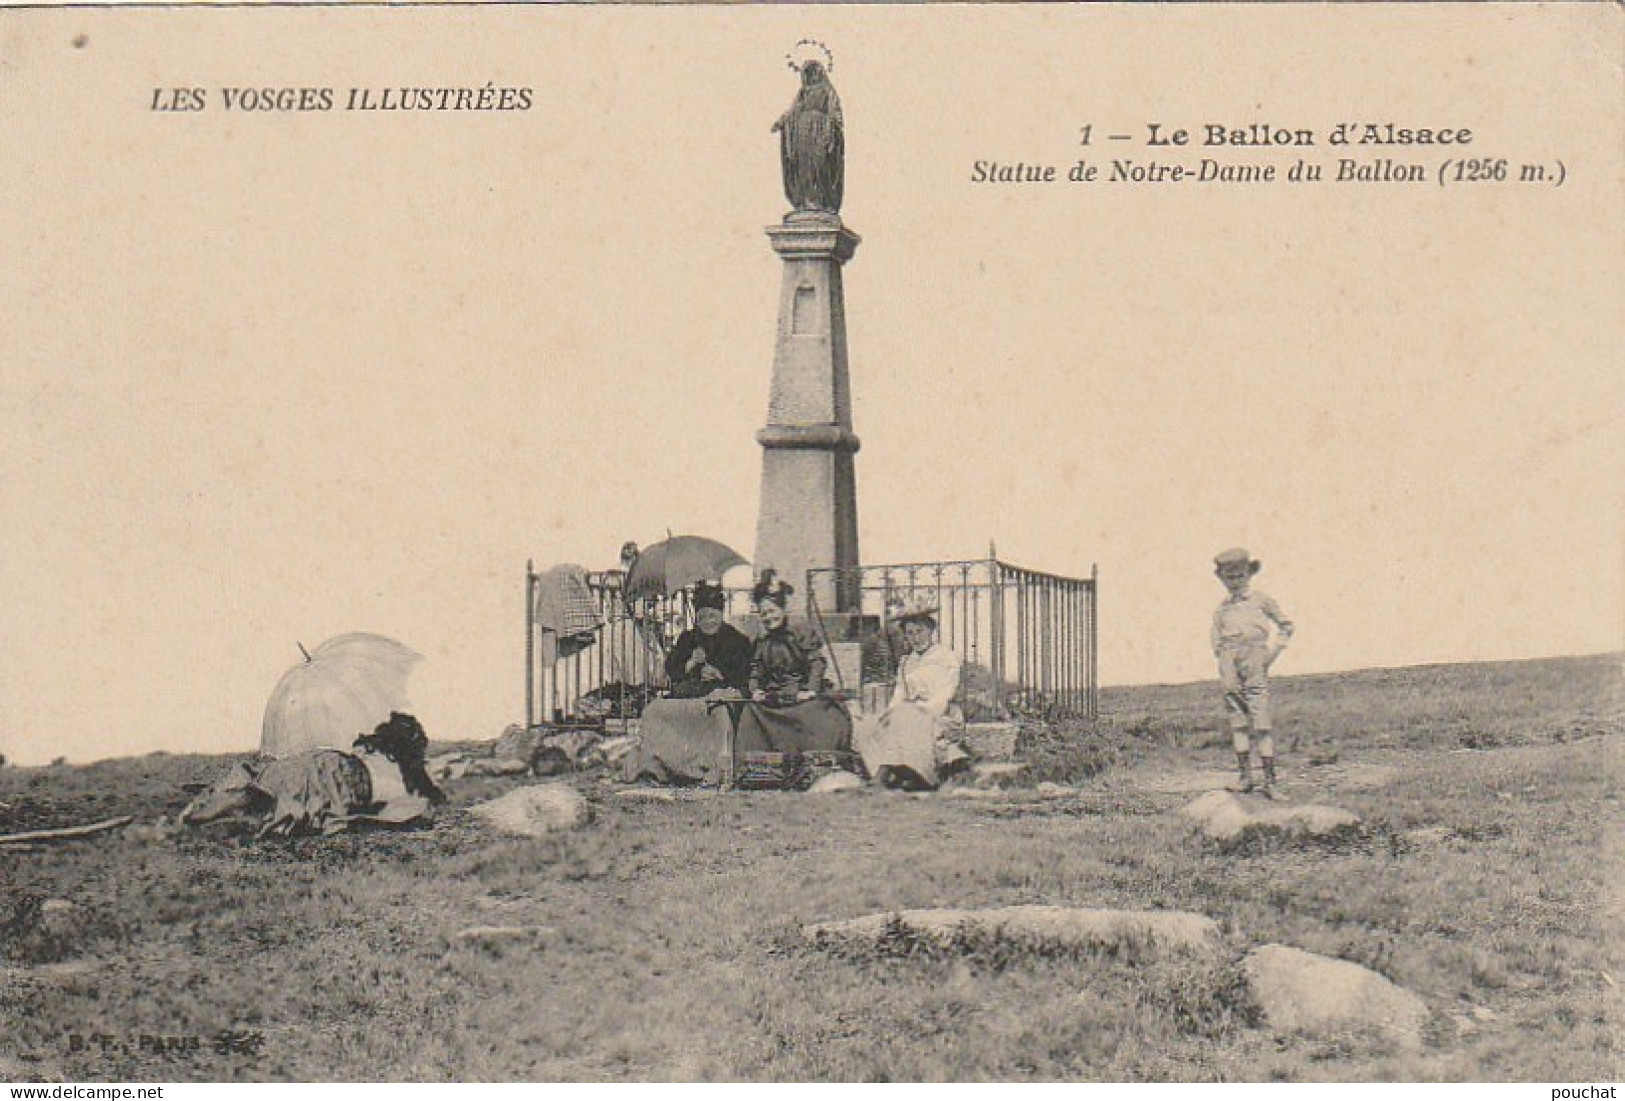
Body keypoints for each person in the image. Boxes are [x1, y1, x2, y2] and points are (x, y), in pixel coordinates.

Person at [854, 594, 967, 790]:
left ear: (931, 631)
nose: (915, 638)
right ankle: (886, 772)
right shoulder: (906, 662)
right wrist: (890, 712)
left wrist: (918, 710)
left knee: (905, 716)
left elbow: (945, 694)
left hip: (940, 713)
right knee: (870, 724)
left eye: (920, 632)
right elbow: (900, 692)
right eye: (910, 633)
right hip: (908, 711)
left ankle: (891, 773)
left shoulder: (946, 658)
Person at [1211, 547, 1295, 797]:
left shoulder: (1262, 600)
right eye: (1229, 577)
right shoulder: (1222, 608)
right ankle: (1245, 777)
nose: (1234, 582)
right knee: (1238, 721)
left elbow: (1287, 626)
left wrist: (1271, 655)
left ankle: (1271, 783)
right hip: (1229, 661)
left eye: (1239, 576)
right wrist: (1226, 659)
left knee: (1261, 722)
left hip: (1255, 657)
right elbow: (1215, 641)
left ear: (1248, 575)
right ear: (1223, 579)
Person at [749, 570, 826, 705]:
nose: (768, 617)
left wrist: (811, 690)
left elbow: (816, 663)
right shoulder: (763, 641)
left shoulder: (801, 632)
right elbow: (756, 669)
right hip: (773, 695)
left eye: (772, 611)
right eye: (763, 614)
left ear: (783, 609)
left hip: (801, 694)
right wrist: (755, 690)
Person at [664, 581, 752, 699]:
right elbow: (671, 670)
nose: (707, 622)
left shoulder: (738, 640)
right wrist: (691, 663)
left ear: (721, 614)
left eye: (712, 616)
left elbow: (745, 677)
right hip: (690, 699)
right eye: (702, 617)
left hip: (725, 701)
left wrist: (720, 674)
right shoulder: (688, 639)